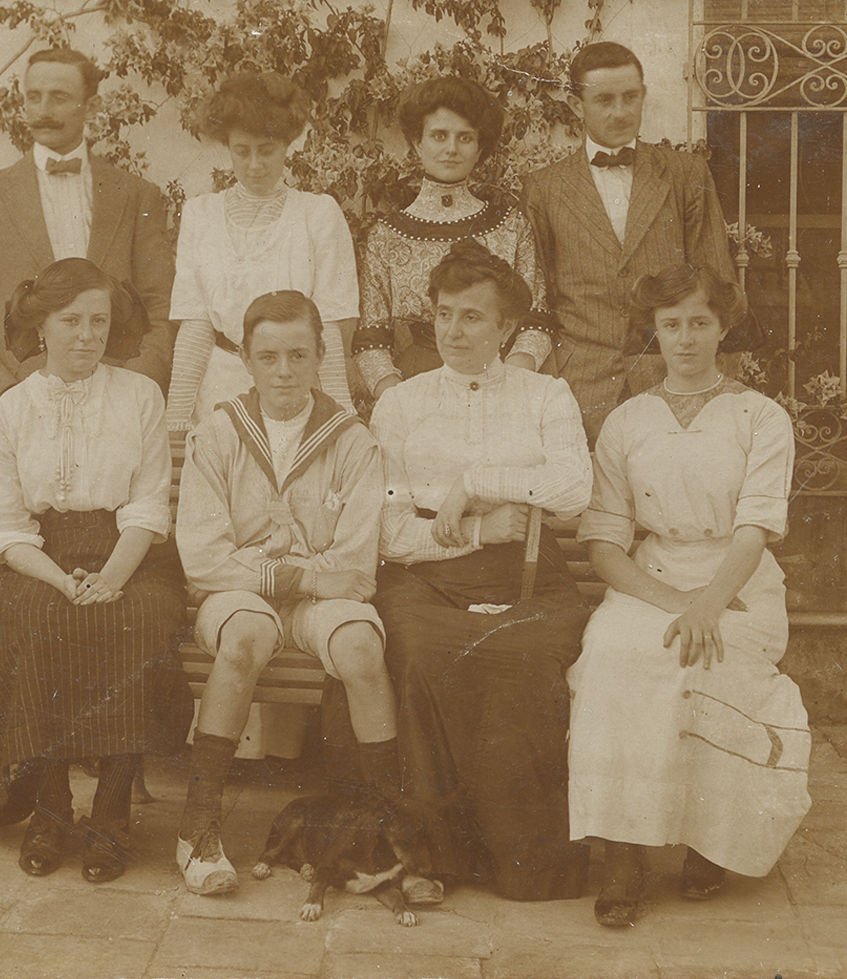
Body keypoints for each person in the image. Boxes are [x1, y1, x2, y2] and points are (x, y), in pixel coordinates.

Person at [567, 264, 811, 927]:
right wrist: (678, 603)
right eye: (671, 324)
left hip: (738, 578)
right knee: (613, 654)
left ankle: (712, 838)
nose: (685, 338)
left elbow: (755, 528)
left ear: (723, 328)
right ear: (654, 330)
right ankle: (624, 851)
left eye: (700, 323)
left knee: (710, 656)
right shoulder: (627, 420)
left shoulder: (760, 416)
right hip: (653, 578)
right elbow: (605, 544)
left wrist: (708, 605)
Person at [0, 258, 192, 884]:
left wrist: (111, 578)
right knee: (36, 617)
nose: (87, 335)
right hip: (40, 558)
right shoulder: (8, 413)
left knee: (138, 617)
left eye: (99, 321)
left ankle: (111, 813)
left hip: (131, 553)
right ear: (41, 327)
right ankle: (52, 809)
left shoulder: (140, 397)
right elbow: (6, 531)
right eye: (71, 320)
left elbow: (147, 507)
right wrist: (60, 580)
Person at [369, 239, 593, 901]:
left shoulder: (545, 395)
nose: (453, 331)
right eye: (443, 314)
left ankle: (525, 860)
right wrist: (474, 530)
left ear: (506, 327)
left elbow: (574, 489)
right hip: (425, 575)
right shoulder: (400, 404)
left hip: (529, 575)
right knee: (420, 653)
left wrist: (474, 483)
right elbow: (390, 527)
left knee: (523, 657)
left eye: (472, 317)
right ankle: (429, 856)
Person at [174, 291, 396, 897]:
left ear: (322, 356)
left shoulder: (351, 440)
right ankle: (199, 822)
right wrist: (291, 576)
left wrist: (293, 574)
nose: (284, 372)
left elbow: (356, 570)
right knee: (246, 635)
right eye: (268, 357)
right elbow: (204, 559)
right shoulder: (219, 432)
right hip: (240, 595)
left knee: (360, 646)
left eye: (299, 355)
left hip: (315, 598)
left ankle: (385, 825)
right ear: (246, 359)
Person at [0, 48, 177, 429]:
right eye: (34, 97)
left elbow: (162, 310)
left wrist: (131, 395)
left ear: (91, 107)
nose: (43, 110)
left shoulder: (136, 196)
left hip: (115, 416)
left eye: (59, 97)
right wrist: (5, 403)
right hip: (19, 416)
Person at [522, 41, 736, 439]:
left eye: (630, 97)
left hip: (671, 378)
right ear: (576, 104)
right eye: (604, 100)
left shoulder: (686, 174)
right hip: (579, 385)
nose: (620, 112)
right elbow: (539, 296)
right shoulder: (544, 188)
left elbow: (717, 286)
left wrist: (714, 385)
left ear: (643, 95)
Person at [165, 72, 357, 434]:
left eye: (267, 150)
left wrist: (340, 413)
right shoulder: (200, 214)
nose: (254, 165)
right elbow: (196, 324)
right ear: (228, 147)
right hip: (219, 387)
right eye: (242, 151)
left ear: (287, 145)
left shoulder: (318, 213)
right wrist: (176, 416)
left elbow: (330, 324)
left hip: (295, 383)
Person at [352, 75, 555, 399]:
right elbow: (371, 339)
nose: (451, 149)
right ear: (417, 143)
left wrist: (510, 385)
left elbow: (536, 320)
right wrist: (398, 401)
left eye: (465, 138)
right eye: (439, 136)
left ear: (480, 147)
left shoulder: (511, 225)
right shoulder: (386, 236)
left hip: (499, 379)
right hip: (417, 384)